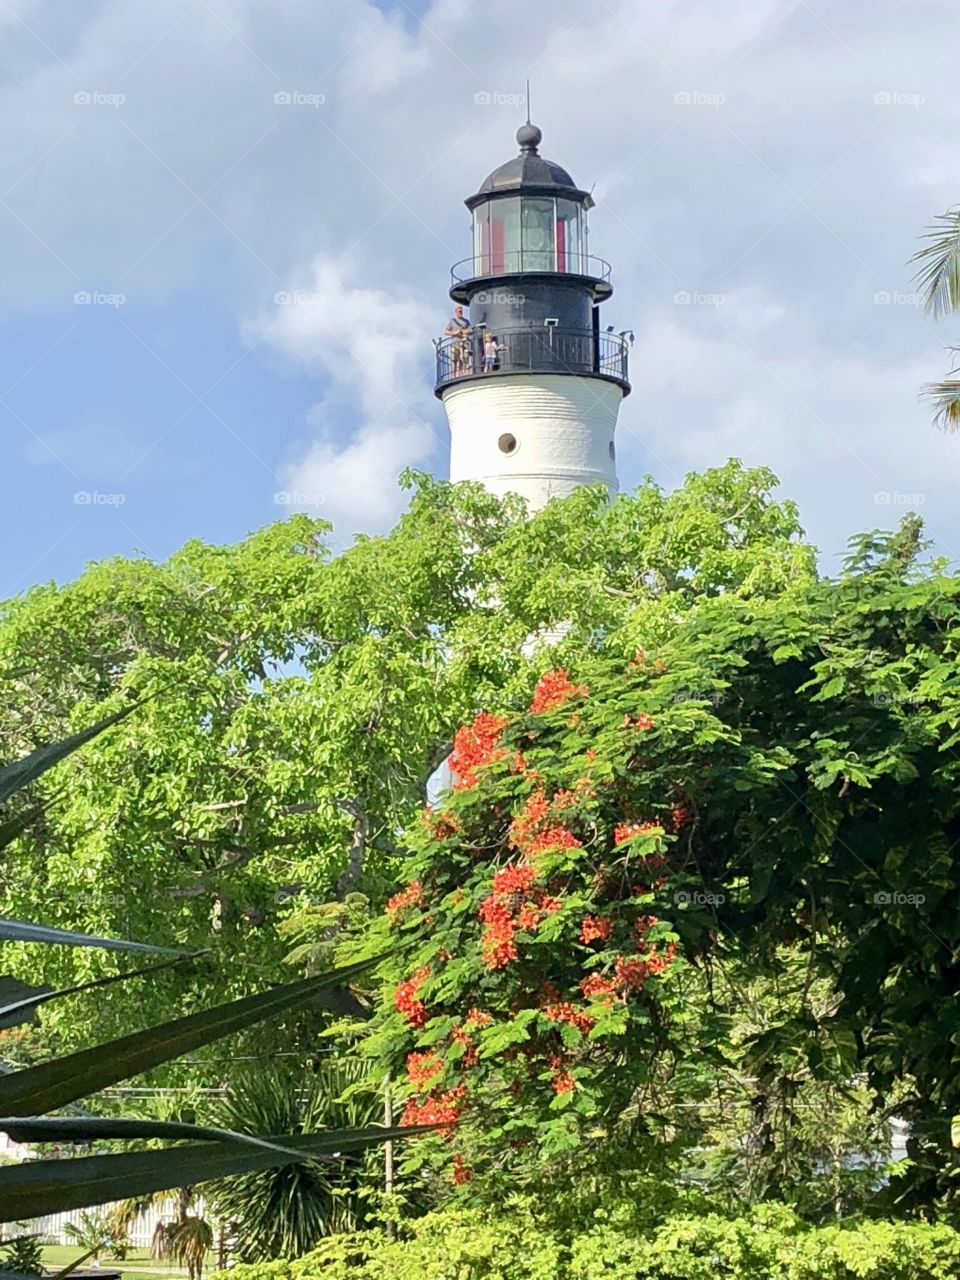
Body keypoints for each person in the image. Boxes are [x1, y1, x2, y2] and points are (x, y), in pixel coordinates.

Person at [444, 305, 471, 375]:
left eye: (461, 311)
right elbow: (446, 332)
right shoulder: (452, 321)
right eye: (459, 311)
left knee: (463, 359)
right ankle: (454, 374)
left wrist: (464, 332)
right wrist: (455, 332)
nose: (460, 312)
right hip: (454, 344)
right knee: (454, 360)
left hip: (464, 344)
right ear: (455, 311)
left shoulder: (466, 321)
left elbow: (470, 331)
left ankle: (461, 373)